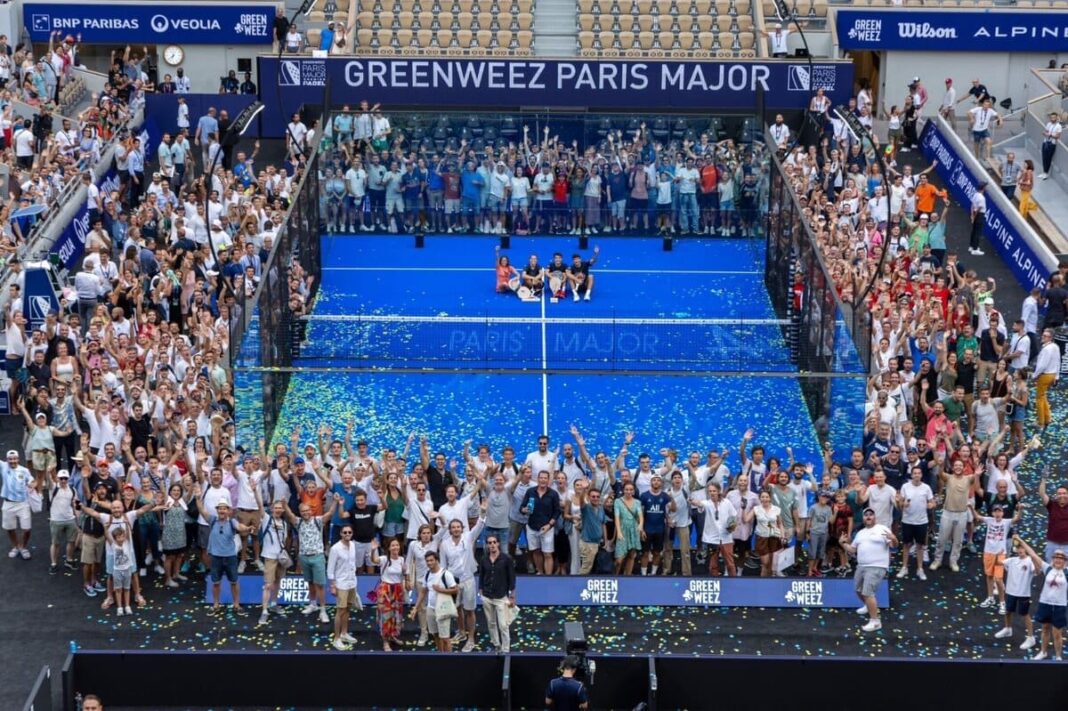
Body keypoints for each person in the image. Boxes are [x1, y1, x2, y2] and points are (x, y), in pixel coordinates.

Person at [839, 507, 898, 633]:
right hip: (861, 566)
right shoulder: (860, 533)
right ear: (863, 518)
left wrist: (893, 538)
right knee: (858, 589)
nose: (869, 516)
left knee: (867, 593)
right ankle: (868, 605)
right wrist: (842, 543)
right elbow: (853, 550)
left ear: (875, 517)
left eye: (871, 514)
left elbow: (894, 545)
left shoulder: (882, 529)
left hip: (877, 566)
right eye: (866, 515)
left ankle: (875, 621)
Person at [440, 499, 487, 652]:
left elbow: (480, 525)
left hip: (468, 580)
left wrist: (483, 511)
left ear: (462, 528)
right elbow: (443, 566)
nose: (456, 529)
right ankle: (461, 632)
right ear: (450, 530)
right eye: (453, 527)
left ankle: (471, 638)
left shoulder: (468, 537)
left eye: (458, 527)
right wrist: (445, 584)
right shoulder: (444, 544)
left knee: (469, 610)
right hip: (453, 582)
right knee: (457, 609)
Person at [1015, 537, 1067, 660]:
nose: (1058, 560)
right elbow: (1032, 553)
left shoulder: (1067, 572)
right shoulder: (1047, 568)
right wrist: (1021, 541)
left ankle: (1058, 656)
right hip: (1045, 604)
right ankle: (1043, 652)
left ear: (1065, 561)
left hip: (1059, 606)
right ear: (1052, 559)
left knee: (1057, 633)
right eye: (1056, 557)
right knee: (1045, 628)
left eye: (1061, 558)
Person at [976, 504, 1020, 614]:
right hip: (988, 552)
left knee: (999, 579)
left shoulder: (1006, 522)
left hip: (1000, 553)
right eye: (995, 511)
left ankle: (1002, 602)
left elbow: (1017, 519)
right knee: (989, 575)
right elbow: (977, 517)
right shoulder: (989, 520)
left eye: (999, 511)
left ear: (1002, 513)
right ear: (992, 513)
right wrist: (971, 508)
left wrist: (1021, 510)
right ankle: (990, 597)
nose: (997, 513)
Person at [993, 541, 1037, 650]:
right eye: (1018, 548)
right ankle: (1008, 629)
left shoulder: (1030, 562)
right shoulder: (1012, 560)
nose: (1020, 550)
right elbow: (998, 563)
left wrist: (1035, 559)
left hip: (1023, 593)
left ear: (1026, 549)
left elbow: (1037, 571)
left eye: (1022, 548)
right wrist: (997, 555)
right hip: (1010, 591)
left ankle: (1031, 637)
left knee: (1025, 614)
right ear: (1016, 550)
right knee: (1008, 611)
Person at [477, 533, 516, 653]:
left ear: (498, 543)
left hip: (501, 596)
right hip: (487, 596)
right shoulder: (484, 559)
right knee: (491, 623)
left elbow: (511, 577)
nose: (492, 545)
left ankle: (506, 648)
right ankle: (496, 644)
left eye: (494, 542)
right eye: (489, 543)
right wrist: (481, 591)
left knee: (503, 625)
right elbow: (482, 575)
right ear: (487, 545)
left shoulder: (506, 559)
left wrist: (512, 596)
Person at [327, 523, 363, 651]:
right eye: (345, 532)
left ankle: (344, 633)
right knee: (340, 611)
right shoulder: (335, 548)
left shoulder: (353, 545)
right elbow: (330, 569)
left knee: (348, 608)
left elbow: (353, 564)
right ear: (341, 533)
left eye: (349, 532)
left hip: (352, 582)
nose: (347, 534)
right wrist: (332, 585)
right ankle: (337, 638)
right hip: (340, 583)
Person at [369, 538, 409, 651]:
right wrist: (373, 550)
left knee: (396, 616)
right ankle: (385, 641)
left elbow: (405, 575)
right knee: (385, 616)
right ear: (389, 548)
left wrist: (406, 575)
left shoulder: (402, 559)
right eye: (393, 545)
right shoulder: (384, 559)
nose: (395, 547)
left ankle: (392, 636)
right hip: (385, 590)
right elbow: (373, 560)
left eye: (397, 545)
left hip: (398, 590)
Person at [419, 549, 459, 652]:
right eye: (427, 561)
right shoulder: (427, 574)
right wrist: (416, 607)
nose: (429, 563)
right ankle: (440, 656)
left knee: (445, 638)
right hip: (431, 608)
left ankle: (449, 661)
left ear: (437, 560)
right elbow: (423, 591)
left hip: (443, 609)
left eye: (431, 560)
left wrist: (440, 590)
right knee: (435, 635)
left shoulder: (446, 574)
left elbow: (455, 590)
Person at [1, 449, 37, 559]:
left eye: (15, 458)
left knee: (27, 529)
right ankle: (16, 546)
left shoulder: (24, 470)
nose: (13, 461)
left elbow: (32, 481)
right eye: (10, 459)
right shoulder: (3, 467)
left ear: (18, 459)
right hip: (8, 503)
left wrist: (32, 485)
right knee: (9, 528)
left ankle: (23, 547)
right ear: (7, 460)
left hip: (22, 503)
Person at [1031, 328, 1059, 430]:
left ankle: (1041, 422)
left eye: (1045, 336)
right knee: (1043, 397)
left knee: (1039, 398)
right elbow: (1058, 362)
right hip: (1052, 374)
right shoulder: (1055, 347)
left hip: (1044, 375)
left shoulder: (1047, 349)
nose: (1043, 337)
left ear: (1050, 338)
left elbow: (1042, 365)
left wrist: (1035, 375)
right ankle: (1047, 418)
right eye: (1043, 335)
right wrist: (1056, 376)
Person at [613, 481, 643, 574]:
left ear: (634, 491)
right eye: (626, 489)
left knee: (631, 555)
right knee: (619, 559)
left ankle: (628, 576)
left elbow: (640, 516)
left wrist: (641, 525)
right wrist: (619, 532)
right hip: (622, 530)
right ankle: (615, 576)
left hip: (634, 530)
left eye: (631, 489)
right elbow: (617, 517)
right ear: (623, 490)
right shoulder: (618, 501)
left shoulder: (637, 502)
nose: (629, 491)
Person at [1038, 470, 1068, 563]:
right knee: (1050, 568)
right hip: (1052, 544)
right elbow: (1042, 494)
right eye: (1059, 493)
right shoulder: (1052, 505)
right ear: (1056, 495)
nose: (1062, 495)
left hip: (1067, 545)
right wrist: (1043, 479)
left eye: (1064, 493)